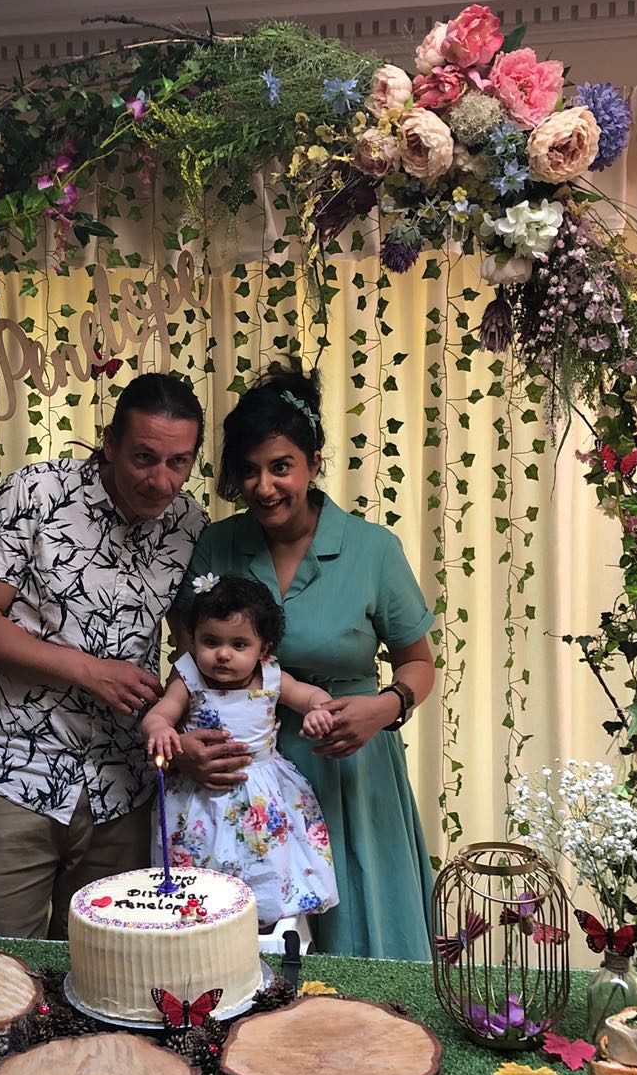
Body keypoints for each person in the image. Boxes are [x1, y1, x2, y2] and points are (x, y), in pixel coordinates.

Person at [171, 362, 439, 960]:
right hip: (240, 780)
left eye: (280, 466)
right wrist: (184, 746)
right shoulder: (218, 545)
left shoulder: (374, 550)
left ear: (314, 463)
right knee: (243, 958)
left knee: (362, 948)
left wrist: (383, 709)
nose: (264, 486)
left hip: (348, 768)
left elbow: (419, 663)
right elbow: (188, 662)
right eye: (249, 470)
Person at [0, 373, 208, 939]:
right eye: (144, 457)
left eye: (179, 463)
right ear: (109, 442)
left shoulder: (190, 525)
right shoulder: (36, 493)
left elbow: (194, 652)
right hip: (14, 772)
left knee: (109, 976)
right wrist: (90, 672)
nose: (161, 480)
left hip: (125, 789)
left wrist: (182, 734)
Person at [142, 574, 340, 929]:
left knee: (266, 864)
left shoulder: (271, 676)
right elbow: (160, 713)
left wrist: (319, 711)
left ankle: (265, 930)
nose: (223, 654)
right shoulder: (187, 677)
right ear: (194, 640)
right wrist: (159, 728)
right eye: (210, 641)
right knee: (198, 873)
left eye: (239, 644)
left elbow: (311, 696)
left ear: (263, 649)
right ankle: (197, 923)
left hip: (261, 791)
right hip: (199, 796)